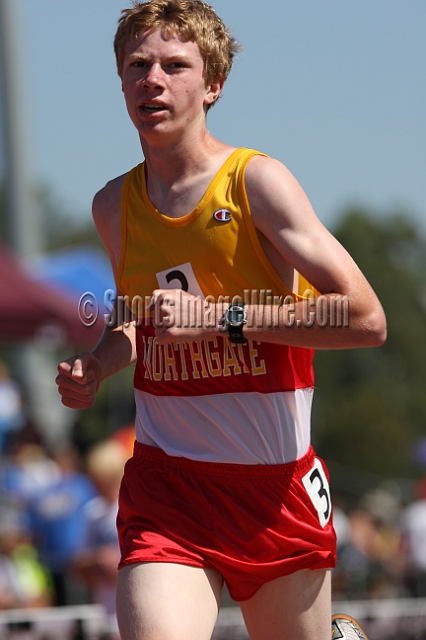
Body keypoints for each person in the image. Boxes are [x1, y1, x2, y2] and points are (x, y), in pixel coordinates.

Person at [56, 1, 386, 638]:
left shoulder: (257, 183)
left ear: (212, 86)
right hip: (169, 487)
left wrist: (221, 316)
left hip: (272, 488)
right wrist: (98, 364)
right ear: (121, 82)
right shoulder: (113, 206)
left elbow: (365, 318)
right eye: (137, 65)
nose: (153, 79)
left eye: (174, 65)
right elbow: (134, 316)